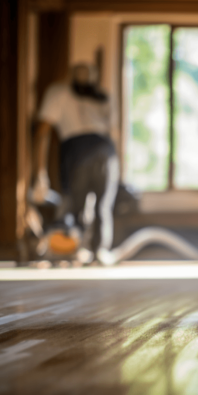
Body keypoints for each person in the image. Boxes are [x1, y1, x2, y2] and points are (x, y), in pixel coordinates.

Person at [31, 63, 119, 265]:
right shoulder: (96, 96)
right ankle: (95, 251)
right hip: (105, 149)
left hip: (79, 149)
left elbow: (42, 130)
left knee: (75, 204)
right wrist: (40, 172)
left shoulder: (62, 92)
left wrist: (39, 172)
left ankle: (77, 249)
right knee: (99, 206)